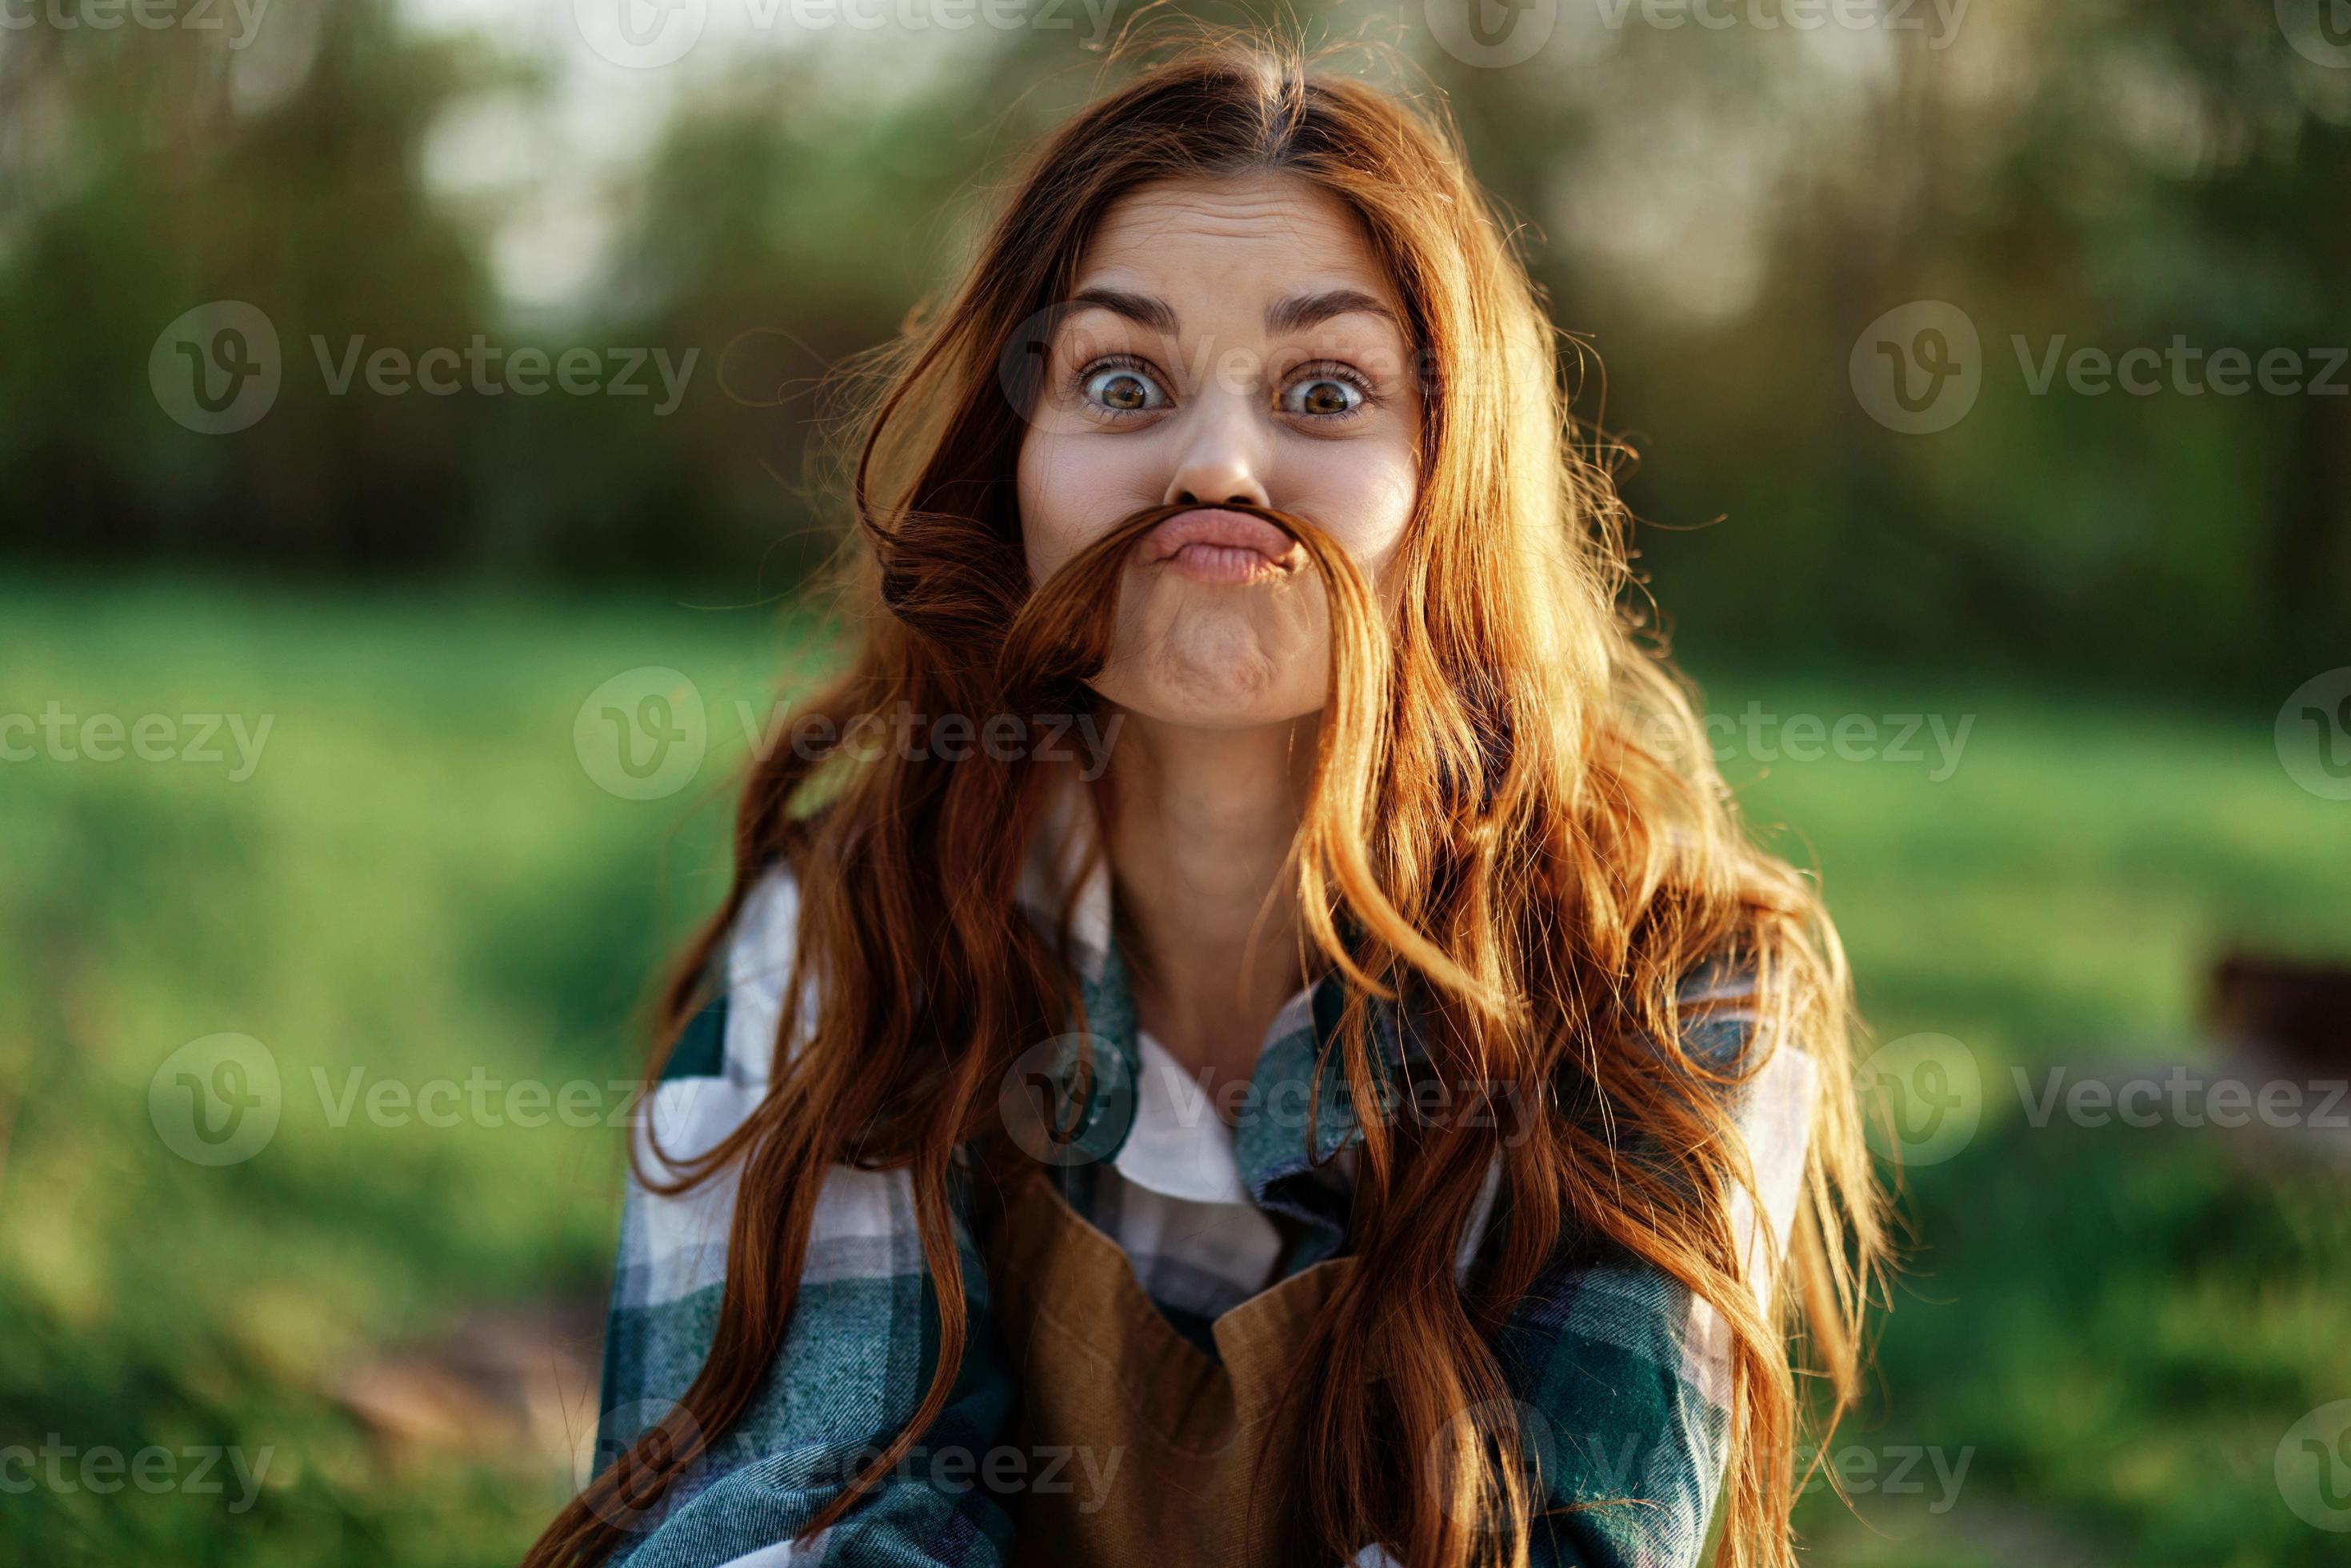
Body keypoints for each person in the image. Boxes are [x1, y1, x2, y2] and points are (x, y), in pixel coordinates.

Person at [527, 30, 1887, 1568]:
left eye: (1324, 388)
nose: (1218, 467)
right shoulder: (845, 940)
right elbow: (793, 1512)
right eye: (1124, 380)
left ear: (1451, 480)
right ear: (1015, 460)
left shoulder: (1671, 986)